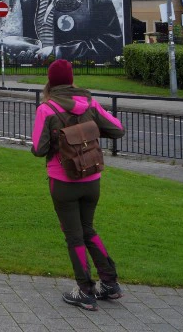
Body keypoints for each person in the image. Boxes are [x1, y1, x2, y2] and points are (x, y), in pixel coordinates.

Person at [31, 59, 126, 311]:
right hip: (92, 178)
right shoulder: (90, 103)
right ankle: (109, 283)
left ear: (50, 81)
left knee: (74, 235)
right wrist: (89, 131)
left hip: (63, 181)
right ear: (72, 79)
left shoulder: (47, 108)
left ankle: (84, 290)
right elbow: (117, 129)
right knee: (88, 229)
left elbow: (38, 149)